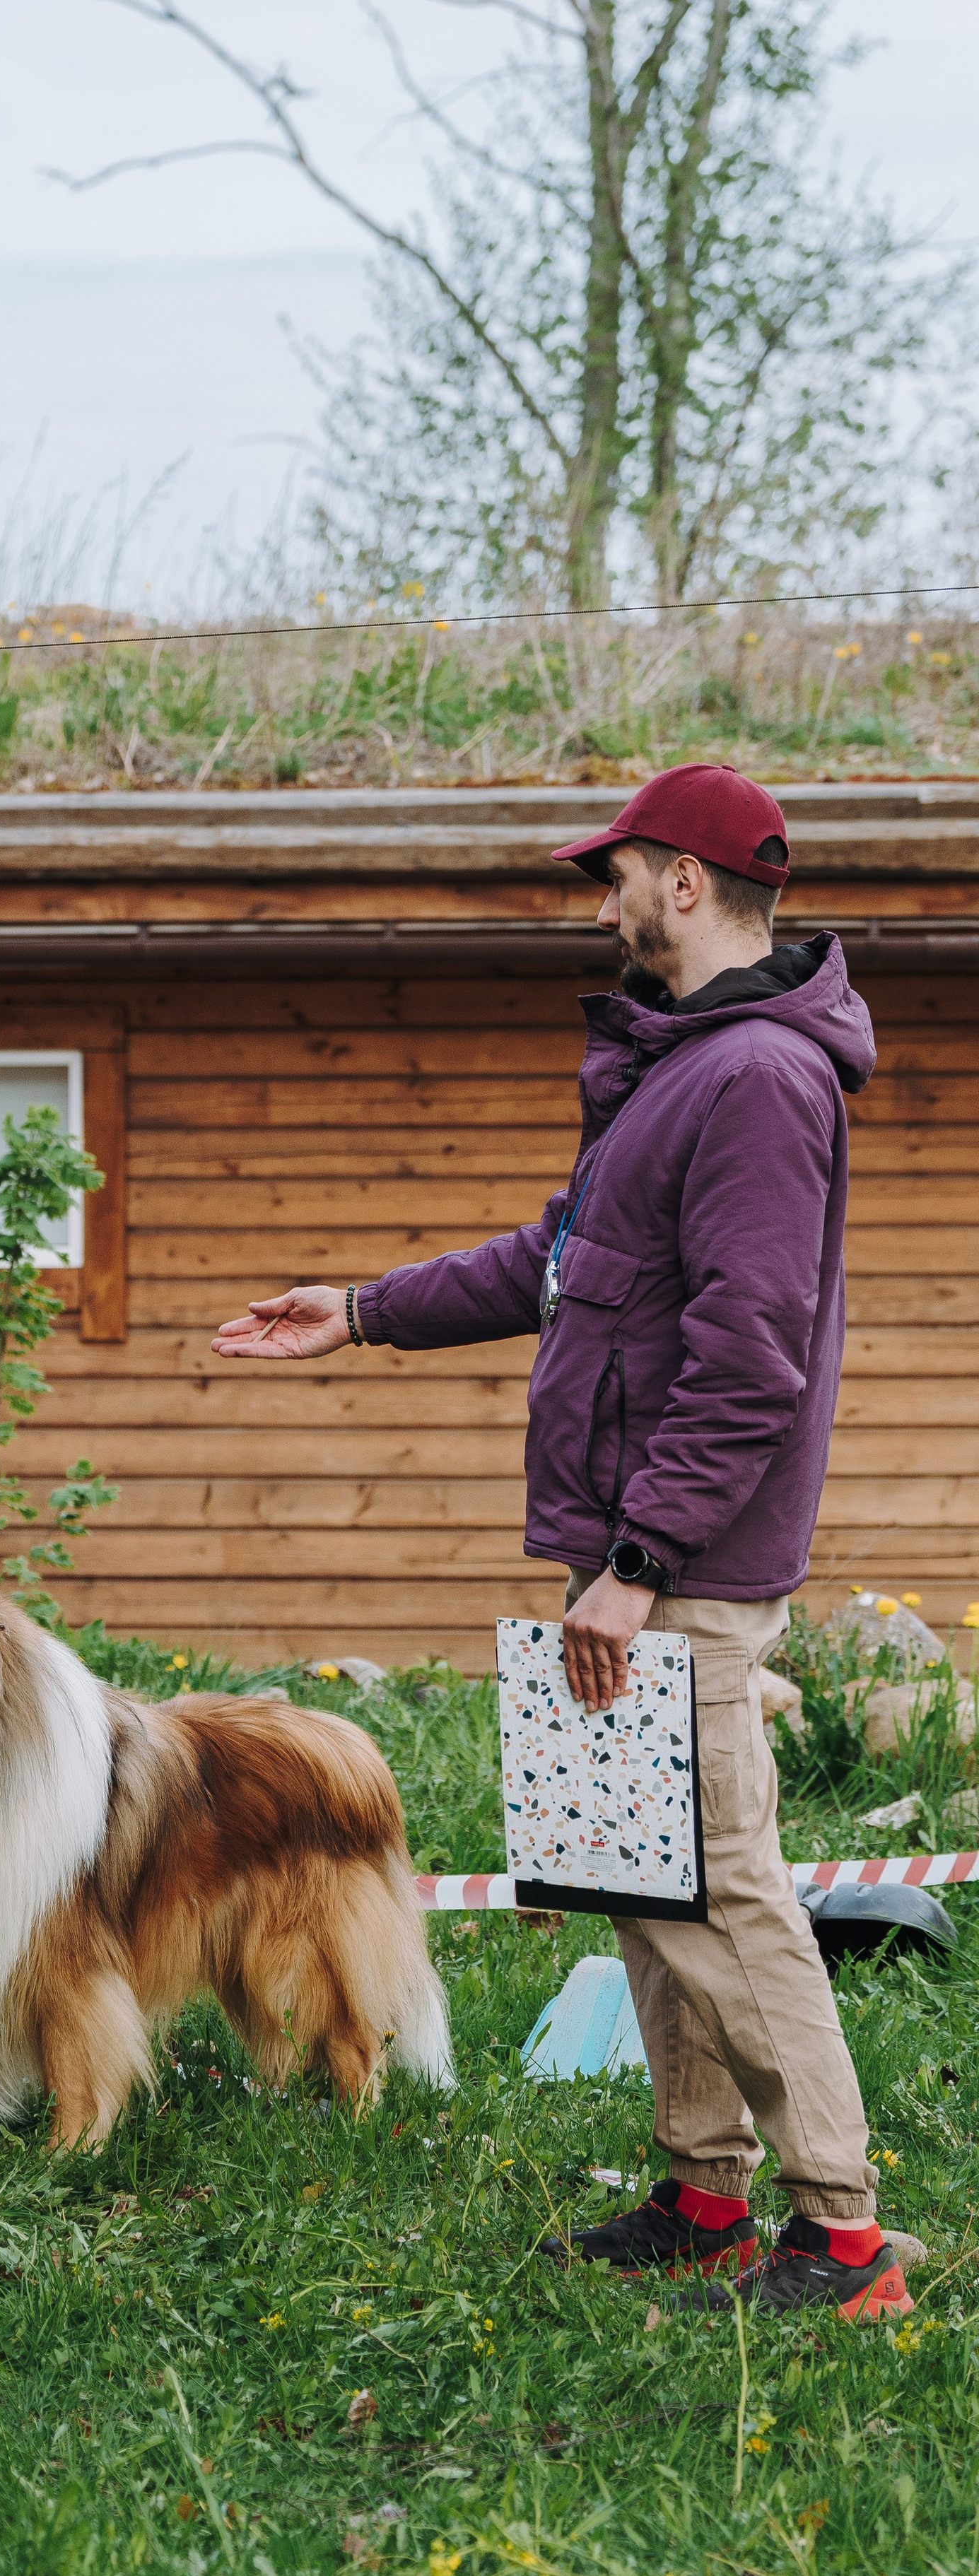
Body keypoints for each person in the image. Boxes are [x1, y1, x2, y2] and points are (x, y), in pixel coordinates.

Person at [211, 763, 914, 2322]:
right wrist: (361, 1311)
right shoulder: (679, 1065)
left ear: (681, 880)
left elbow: (748, 1357)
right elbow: (557, 1258)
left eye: (613, 876)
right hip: (630, 1548)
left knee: (723, 1888)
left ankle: (843, 2238)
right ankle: (700, 2192)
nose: (598, 903)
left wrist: (639, 1562)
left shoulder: (754, 1082)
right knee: (639, 1877)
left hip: (679, 1566)